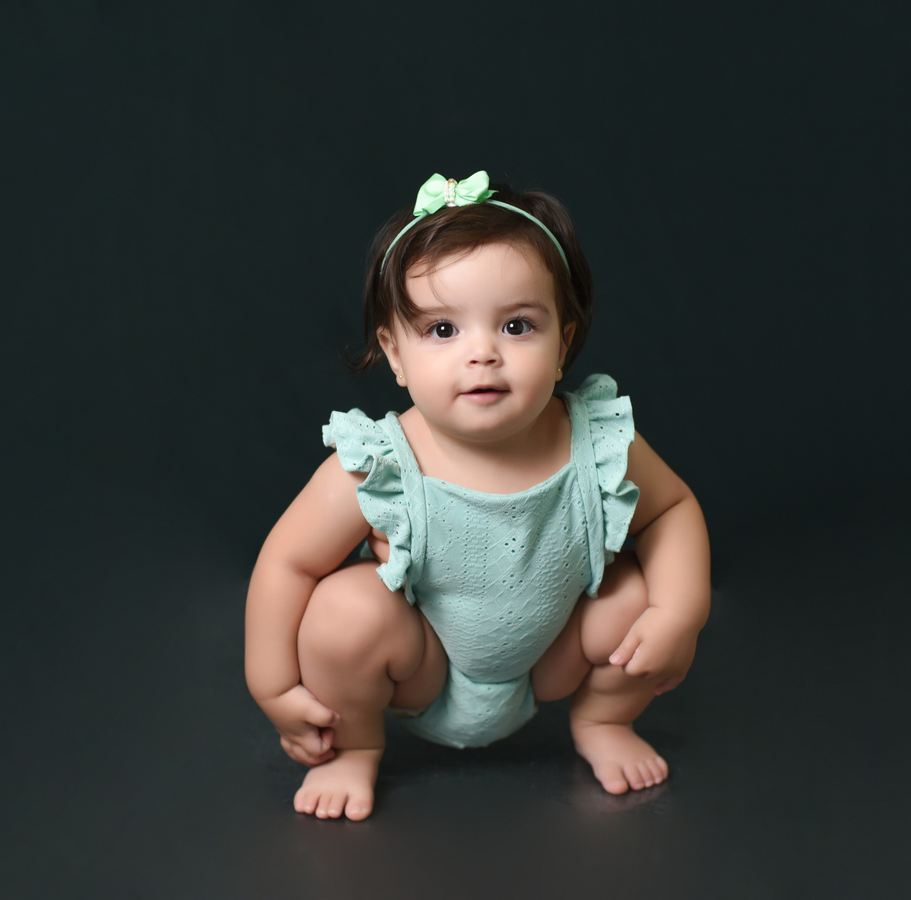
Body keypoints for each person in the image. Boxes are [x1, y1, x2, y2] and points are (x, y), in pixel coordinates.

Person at [245, 171, 711, 821]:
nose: (483, 353)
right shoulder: (380, 463)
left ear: (563, 343)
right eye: (443, 330)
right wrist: (272, 685)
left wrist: (680, 612)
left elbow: (672, 510)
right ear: (394, 354)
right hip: (422, 667)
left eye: (517, 325)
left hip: (552, 657)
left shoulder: (598, 440)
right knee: (341, 612)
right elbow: (286, 563)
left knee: (637, 593)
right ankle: (355, 749)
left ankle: (604, 719)